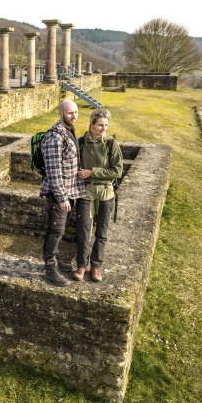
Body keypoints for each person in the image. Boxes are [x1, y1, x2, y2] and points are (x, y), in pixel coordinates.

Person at [40, 99, 86, 287]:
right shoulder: (55, 137)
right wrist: (62, 198)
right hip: (58, 194)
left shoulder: (69, 131)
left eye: (75, 112)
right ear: (60, 113)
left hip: (70, 191)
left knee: (57, 230)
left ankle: (56, 260)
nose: (74, 116)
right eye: (69, 113)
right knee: (55, 231)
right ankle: (50, 269)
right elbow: (53, 171)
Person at [74, 109, 123, 282]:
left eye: (106, 125)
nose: (103, 128)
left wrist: (92, 172)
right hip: (86, 192)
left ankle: (95, 267)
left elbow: (117, 171)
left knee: (101, 232)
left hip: (106, 192)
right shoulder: (80, 143)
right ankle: (81, 265)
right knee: (84, 230)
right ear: (92, 124)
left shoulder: (111, 144)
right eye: (100, 125)